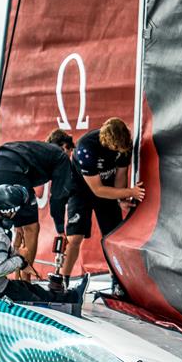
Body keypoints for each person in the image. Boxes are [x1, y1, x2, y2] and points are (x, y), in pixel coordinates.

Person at [0, 184, 85, 304]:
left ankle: (62, 296)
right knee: (32, 295)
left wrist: (18, 258)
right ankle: (72, 299)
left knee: (26, 286)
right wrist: (19, 260)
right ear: (9, 211)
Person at [0, 129, 76, 280]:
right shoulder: (60, 156)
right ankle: (25, 282)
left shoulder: (35, 150)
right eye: (71, 152)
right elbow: (57, 197)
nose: (70, 157)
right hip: (13, 171)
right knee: (31, 228)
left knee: (19, 228)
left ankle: (14, 277)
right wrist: (60, 230)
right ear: (64, 146)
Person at [62, 118, 146, 277]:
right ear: (106, 141)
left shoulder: (124, 145)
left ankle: (118, 279)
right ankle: (61, 280)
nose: (118, 150)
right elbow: (98, 190)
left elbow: (121, 175)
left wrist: (121, 199)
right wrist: (130, 192)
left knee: (113, 237)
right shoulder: (85, 148)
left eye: (120, 148)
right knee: (75, 237)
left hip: (107, 188)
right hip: (82, 190)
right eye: (115, 148)